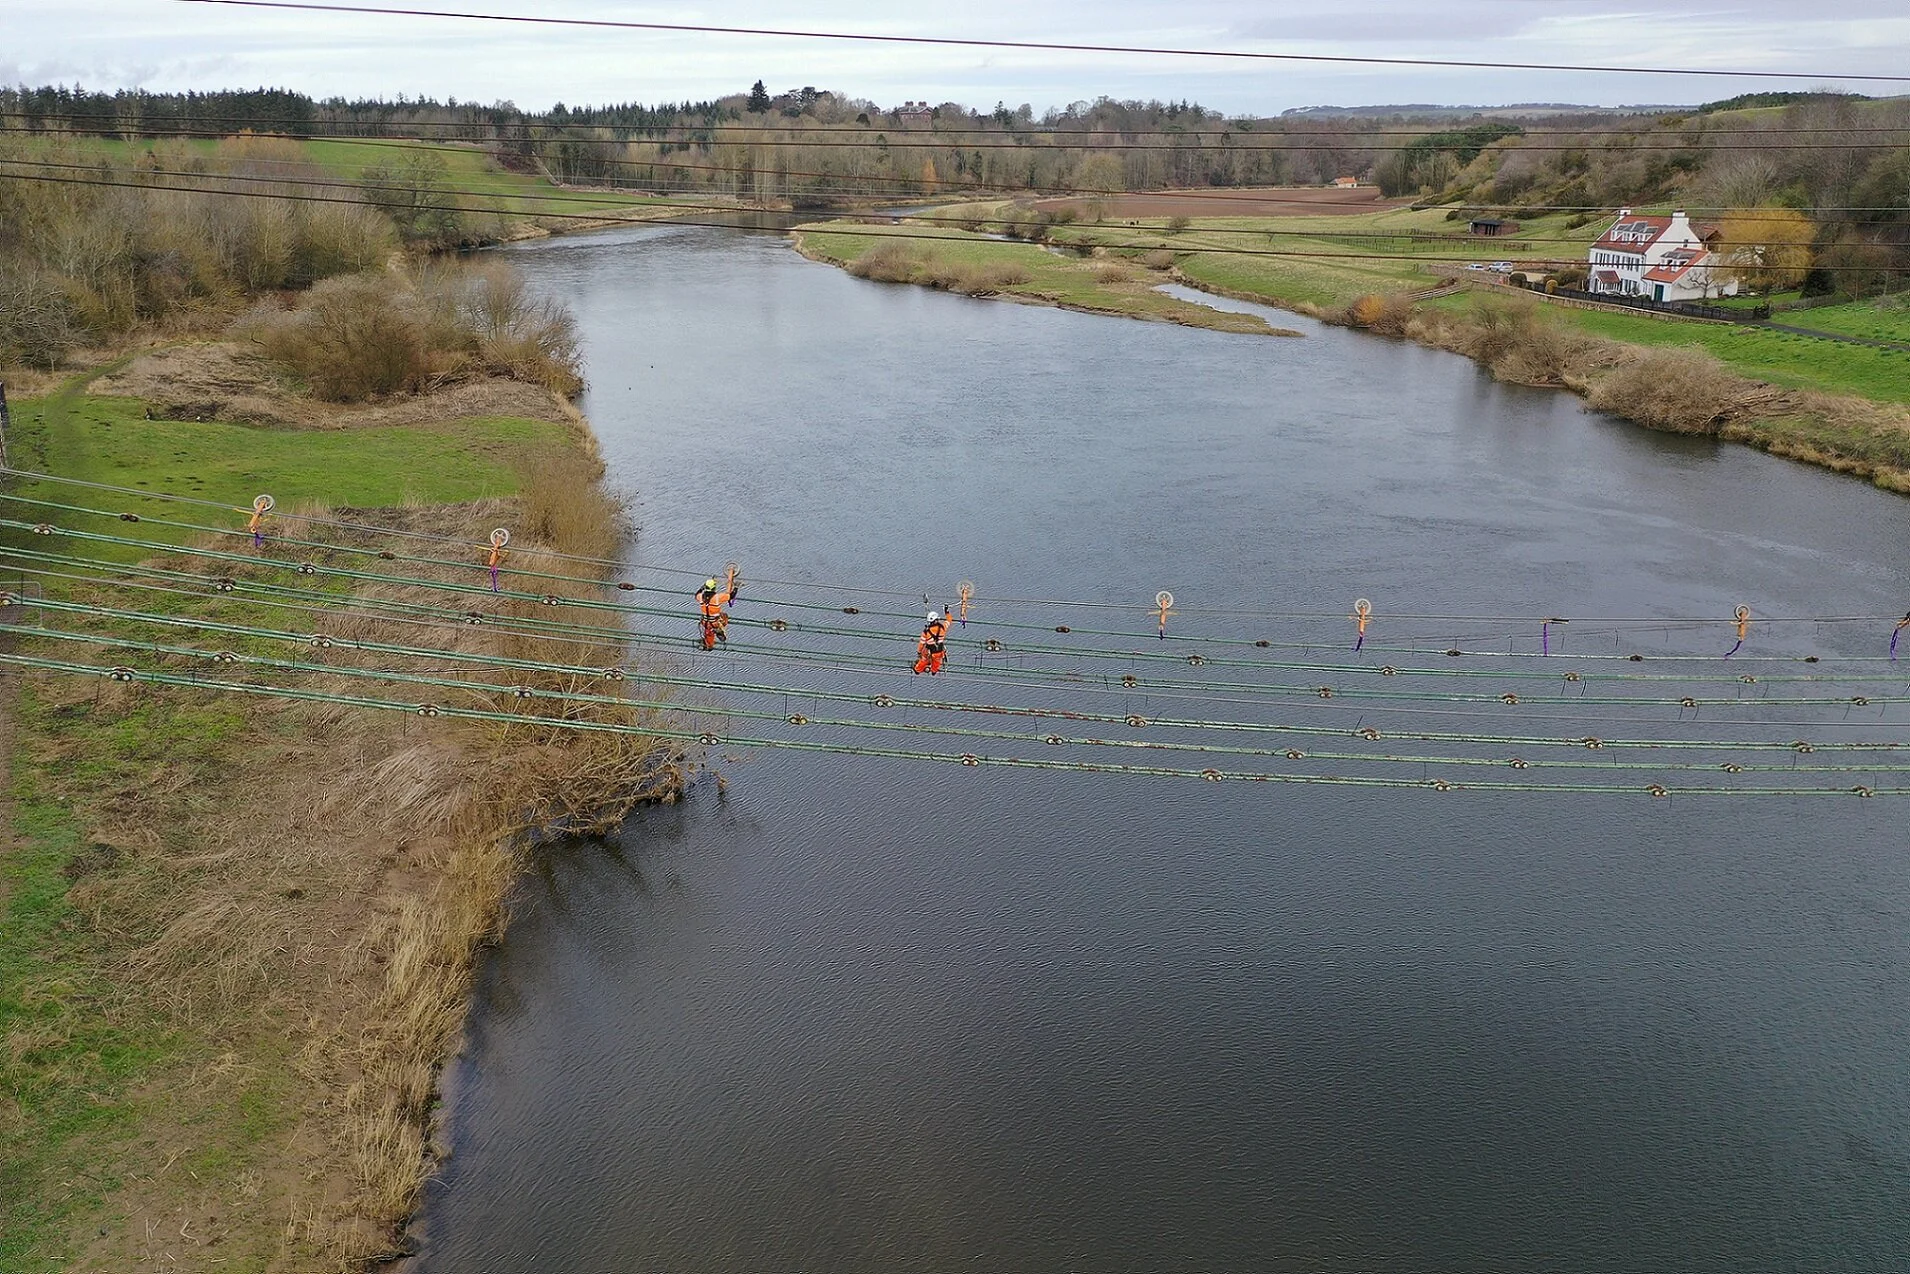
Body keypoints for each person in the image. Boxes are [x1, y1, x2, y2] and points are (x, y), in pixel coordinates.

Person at [695, 575, 739, 650]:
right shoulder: (717, 597)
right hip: (715, 622)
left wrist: (701, 588)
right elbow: (731, 596)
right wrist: (736, 587)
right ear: (714, 588)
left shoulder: (701, 597)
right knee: (724, 616)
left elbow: (696, 594)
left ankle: (709, 645)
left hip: (705, 622)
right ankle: (719, 632)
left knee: (709, 631)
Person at [914, 609, 950, 675]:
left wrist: (919, 652)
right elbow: (949, 620)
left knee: (924, 660)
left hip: (928, 651)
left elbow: (921, 643)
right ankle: (934, 671)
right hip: (938, 651)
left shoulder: (926, 631)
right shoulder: (943, 627)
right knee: (937, 662)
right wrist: (947, 612)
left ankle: (917, 670)